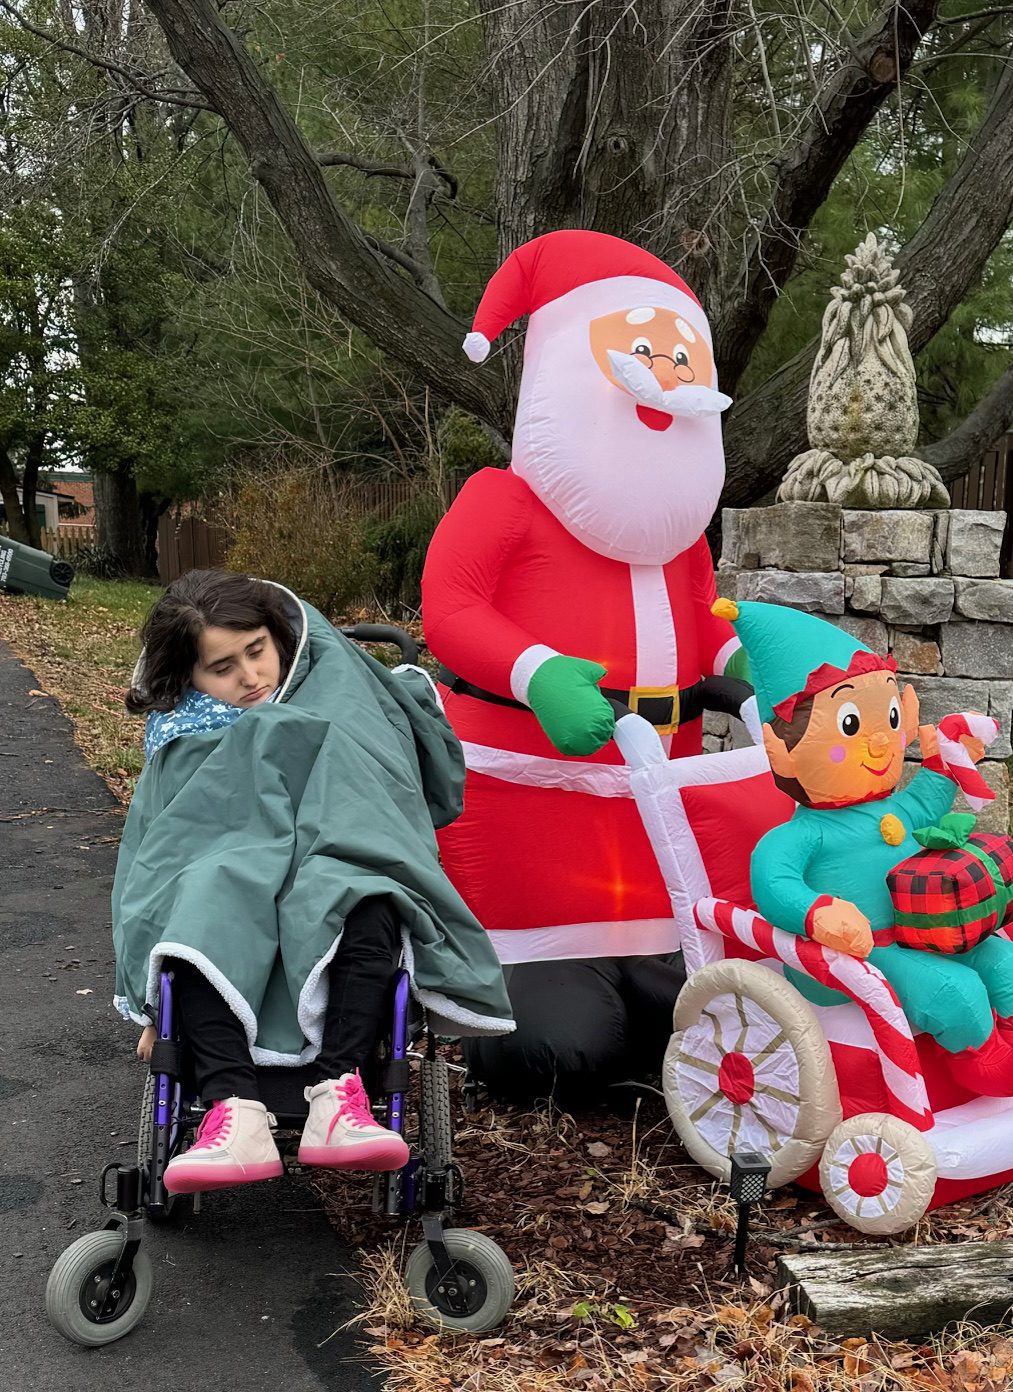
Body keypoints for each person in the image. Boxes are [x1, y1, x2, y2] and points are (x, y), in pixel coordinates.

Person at [421, 230, 749, 1108]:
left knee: (688, 1006)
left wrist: (744, 661)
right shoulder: (503, 501)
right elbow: (449, 609)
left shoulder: (679, 534)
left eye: (681, 355)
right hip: (530, 814)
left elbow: (704, 627)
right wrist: (536, 673)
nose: (668, 376)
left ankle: (642, 975)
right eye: (643, 352)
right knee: (554, 1042)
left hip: (652, 815)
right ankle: (529, 985)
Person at [115, 570, 512, 1194]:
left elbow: (376, 789)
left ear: (279, 637)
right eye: (222, 668)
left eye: (256, 651)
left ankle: (338, 1093)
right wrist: (148, 1005)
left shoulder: (335, 693)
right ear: (187, 675)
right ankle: (233, 1112)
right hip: (230, 868)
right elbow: (154, 856)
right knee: (194, 902)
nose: (249, 677)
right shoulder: (182, 739)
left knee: (372, 896)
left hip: (332, 857)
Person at [722, 598, 1013, 1097]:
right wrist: (816, 912)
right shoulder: (804, 834)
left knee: (1010, 963)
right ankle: (980, 1063)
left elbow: (923, 804)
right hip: (864, 952)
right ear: (784, 749)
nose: (878, 743)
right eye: (851, 727)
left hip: (925, 929)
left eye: (889, 720)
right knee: (953, 991)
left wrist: (944, 764)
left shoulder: (889, 808)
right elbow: (773, 879)